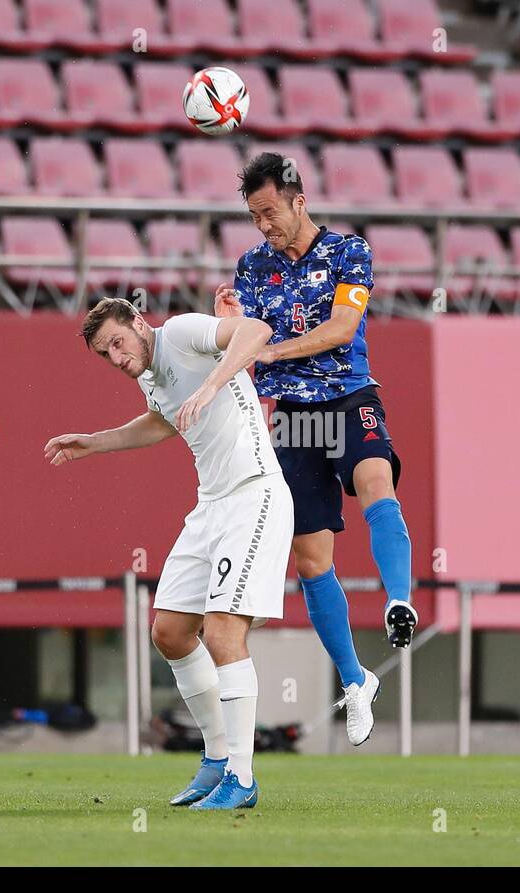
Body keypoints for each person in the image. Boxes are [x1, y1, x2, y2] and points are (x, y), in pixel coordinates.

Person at [45, 299, 293, 810]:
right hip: (211, 505)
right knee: (170, 631)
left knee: (224, 631)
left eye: (117, 342)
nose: (115, 357)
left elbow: (256, 329)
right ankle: (218, 758)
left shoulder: (180, 333)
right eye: (104, 353)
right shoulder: (150, 374)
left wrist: (212, 382)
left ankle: (242, 780)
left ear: (139, 323)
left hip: (255, 493)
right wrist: (96, 441)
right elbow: (163, 423)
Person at [214, 151, 416, 748]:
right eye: (254, 216)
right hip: (295, 417)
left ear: (299, 201)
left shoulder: (348, 252)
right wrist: (226, 321)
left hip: (349, 397)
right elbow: (240, 341)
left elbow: (341, 331)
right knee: (310, 560)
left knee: (377, 480)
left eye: (270, 212)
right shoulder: (252, 267)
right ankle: (356, 683)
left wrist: (271, 351)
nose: (264, 226)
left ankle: (399, 602)